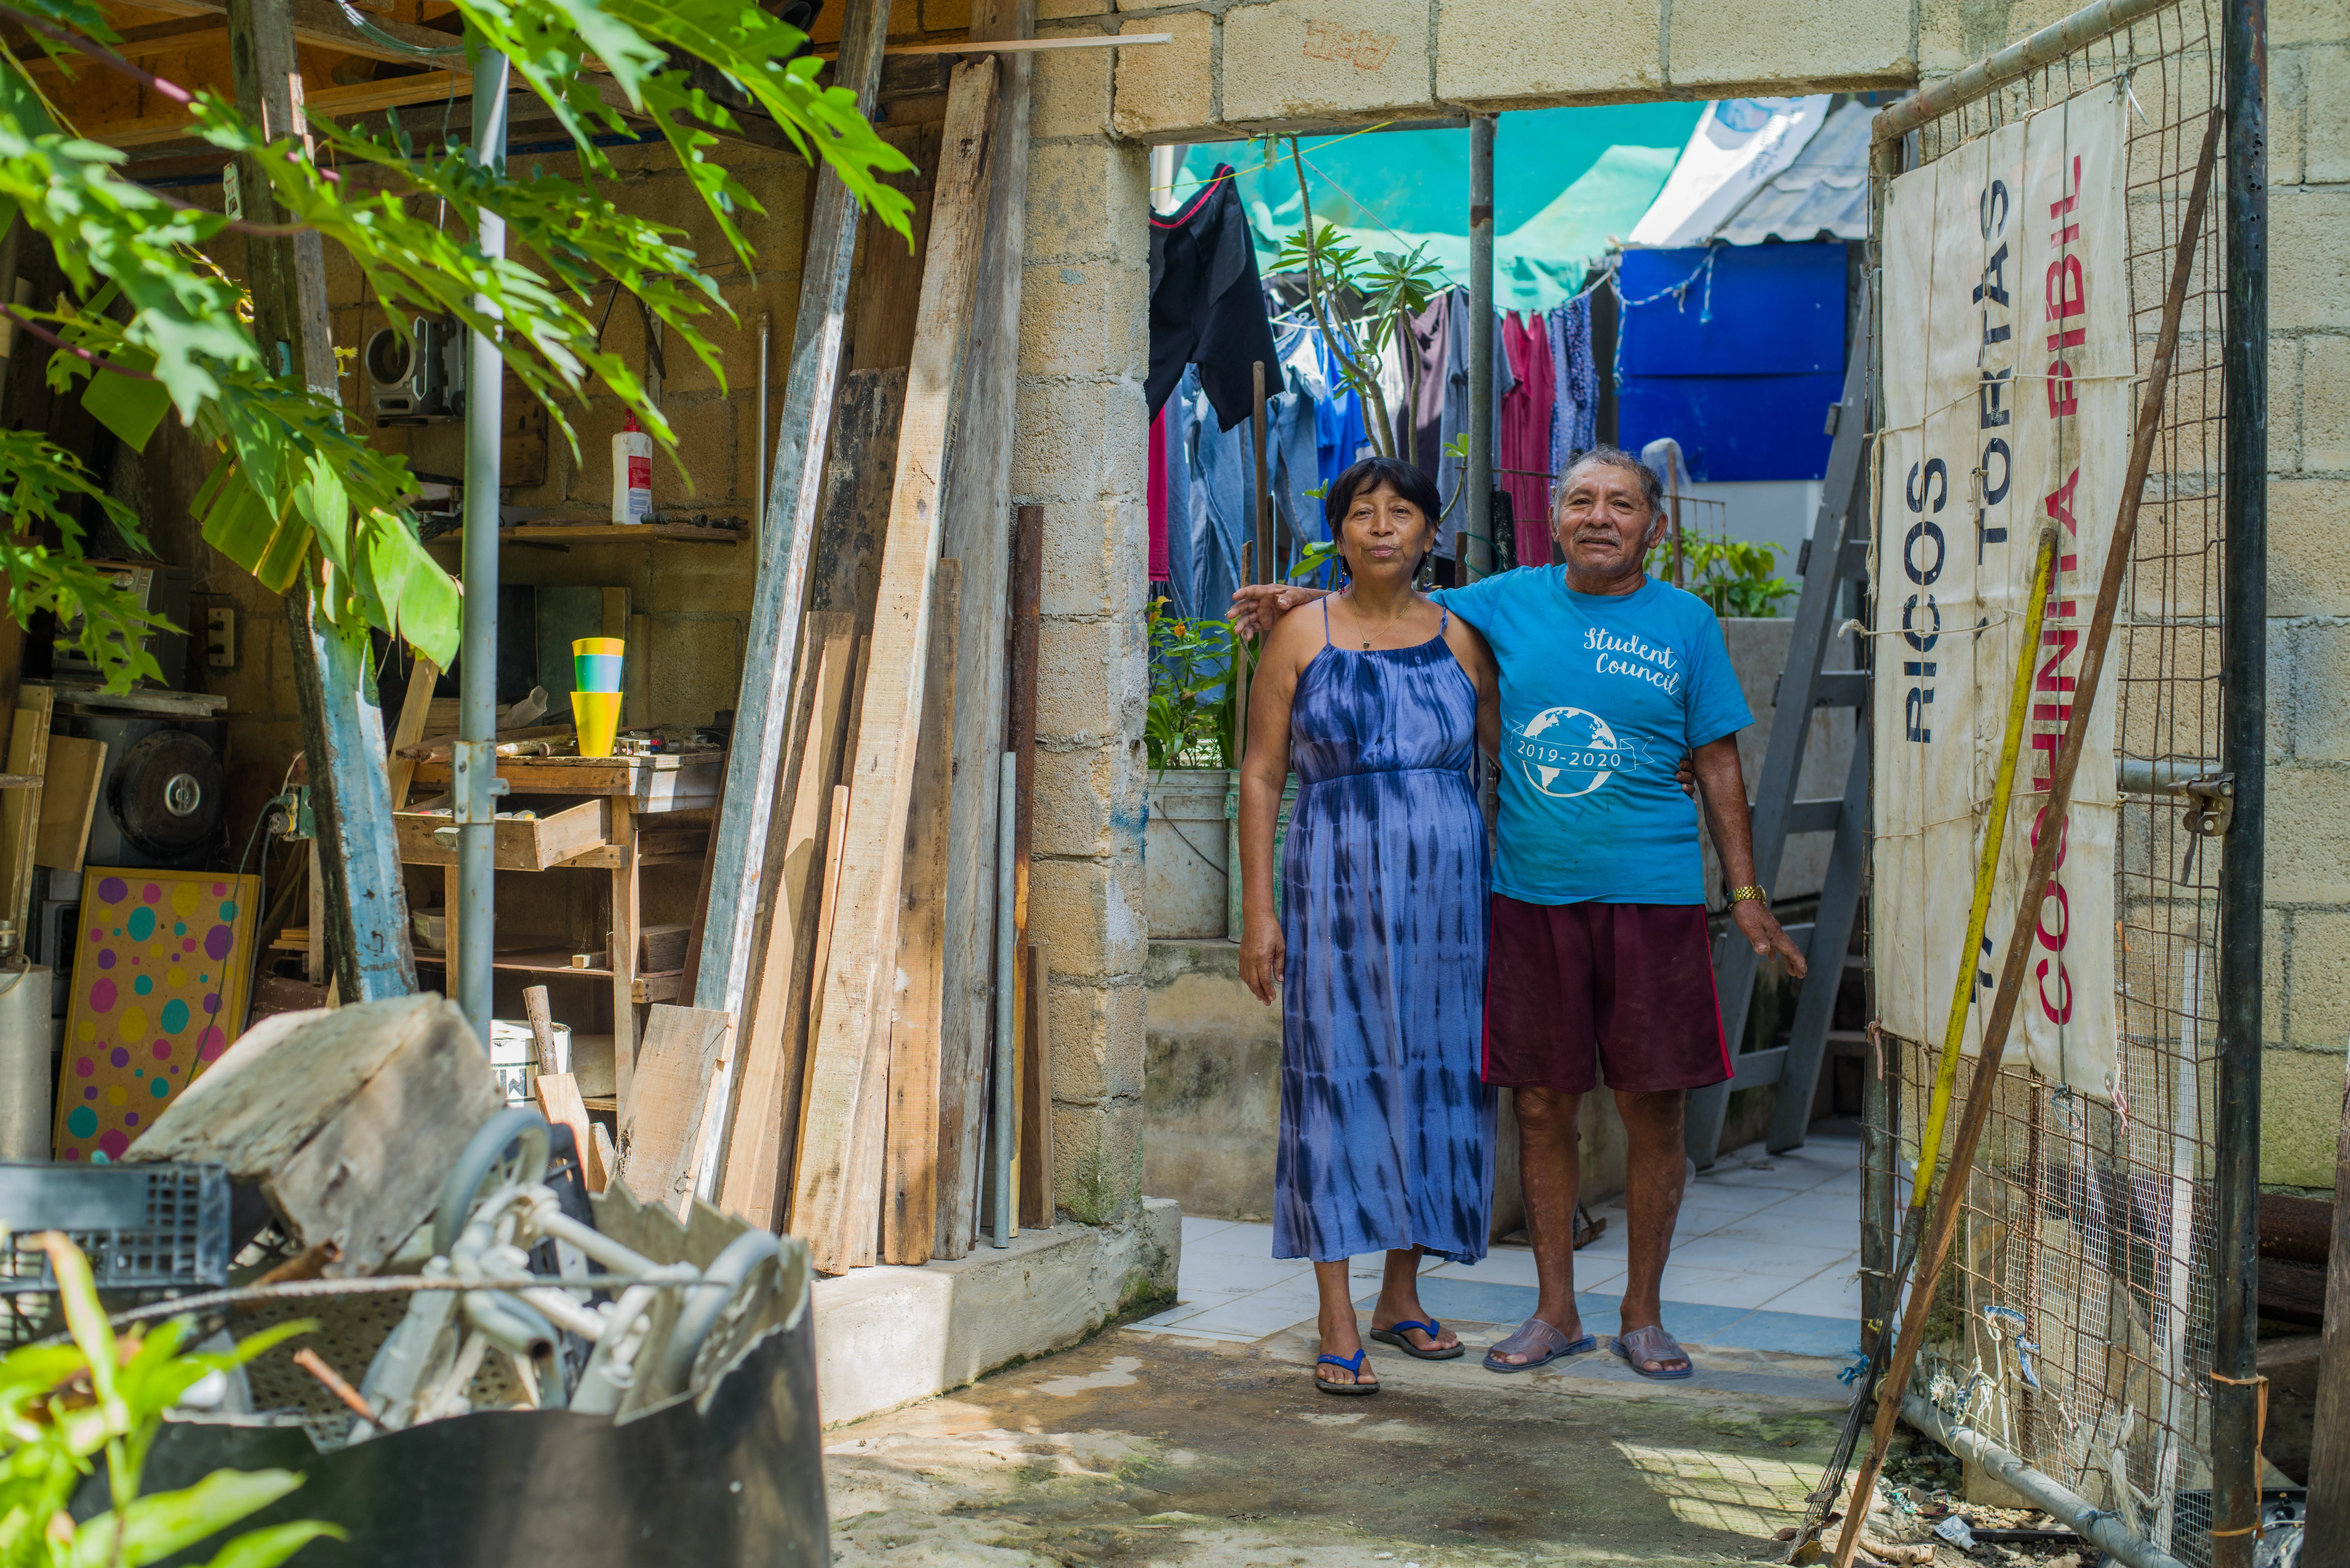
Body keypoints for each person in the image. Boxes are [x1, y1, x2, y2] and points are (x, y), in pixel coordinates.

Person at [1232, 446, 1806, 1380]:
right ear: (1555, 519)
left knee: (1569, 1099)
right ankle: (1476, 1313)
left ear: (1654, 525)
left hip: (1565, 897)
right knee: (1453, 1097)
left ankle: (1591, 1311)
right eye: (1581, 499)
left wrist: (1744, 896)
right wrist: (1296, 598)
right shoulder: (1479, 607)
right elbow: (1311, 702)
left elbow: (1701, 762)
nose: (1599, 516)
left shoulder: (1647, 624)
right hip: (1444, 895)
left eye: (1621, 503)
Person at [1236, 456, 1502, 1396]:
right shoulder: (1299, 636)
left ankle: (1402, 1296)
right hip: (1332, 888)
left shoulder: (1467, 636)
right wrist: (1259, 910)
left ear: (1432, 533)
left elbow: (1500, 767)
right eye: (1362, 512)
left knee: (1434, 1078)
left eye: (1402, 512)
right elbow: (1263, 773)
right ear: (1339, 532)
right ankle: (1336, 1313)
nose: (1382, 526)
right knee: (1335, 1082)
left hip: (1447, 902)